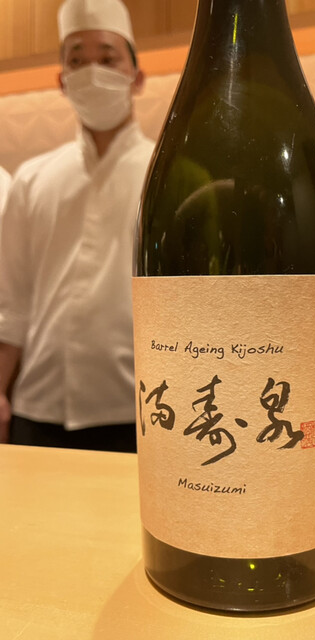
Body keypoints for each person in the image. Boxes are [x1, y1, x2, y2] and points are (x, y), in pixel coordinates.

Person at [0, 0, 155, 452]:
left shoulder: (165, 172)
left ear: (137, 77)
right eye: (76, 60)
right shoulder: (32, 178)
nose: (91, 72)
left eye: (107, 58)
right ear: (61, 81)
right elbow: (12, 304)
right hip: (39, 407)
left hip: (146, 409)